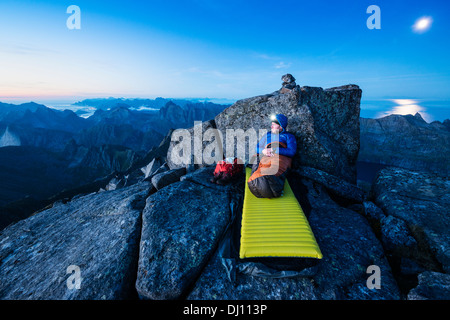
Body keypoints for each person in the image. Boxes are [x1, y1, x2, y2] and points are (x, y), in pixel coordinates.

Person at [247, 114, 297, 198]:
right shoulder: (268, 135)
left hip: (280, 156)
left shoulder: (288, 136)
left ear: (281, 126)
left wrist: (275, 150)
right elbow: (257, 148)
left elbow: (291, 152)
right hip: (266, 156)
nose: (271, 126)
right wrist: (264, 151)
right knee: (259, 165)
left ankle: (268, 184)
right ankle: (263, 183)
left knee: (273, 170)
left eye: (274, 125)